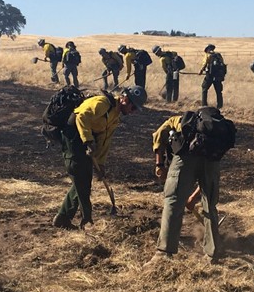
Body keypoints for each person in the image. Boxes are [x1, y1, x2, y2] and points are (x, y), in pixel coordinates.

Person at [53, 85, 147, 229]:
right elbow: (82, 116)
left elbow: (105, 140)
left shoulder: (115, 117)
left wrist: (100, 163)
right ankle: (86, 219)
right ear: (125, 99)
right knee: (80, 178)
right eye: (133, 108)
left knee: (84, 180)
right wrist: (88, 140)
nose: (133, 112)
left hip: (85, 142)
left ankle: (63, 217)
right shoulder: (102, 103)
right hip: (73, 137)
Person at [148, 107, 234, 263]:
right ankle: (212, 254)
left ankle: (163, 253)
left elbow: (159, 135)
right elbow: (206, 184)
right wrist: (194, 198)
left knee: (173, 200)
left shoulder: (175, 121)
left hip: (185, 157)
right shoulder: (215, 134)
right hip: (212, 160)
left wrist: (159, 164)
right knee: (210, 204)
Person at [198, 44, 227, 108]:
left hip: (210, 75)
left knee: (204, 88)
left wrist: (201, 70)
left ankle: (204, 105)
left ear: (208, 49)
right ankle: (220, 106)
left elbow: (205, 63)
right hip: (218, 76)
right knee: (218, 91)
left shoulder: (208, 55)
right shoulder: (218, 55)